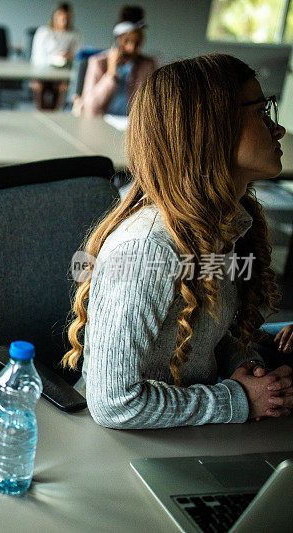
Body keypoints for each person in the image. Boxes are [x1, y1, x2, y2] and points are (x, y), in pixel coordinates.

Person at [63, 53, 293, 429]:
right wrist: (237, 400)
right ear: (210, 129)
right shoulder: (148, 250)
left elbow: (206, 335)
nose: (277, 129)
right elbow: (112, 403)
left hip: (180, 432)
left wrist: (248, 369)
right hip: (120, 443)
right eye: (261, 112)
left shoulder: (219, 225)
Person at [75, 5, 157, 117]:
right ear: (118, 40)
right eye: (127, 41)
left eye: (137, 43)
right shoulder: (98, 62)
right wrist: (111, 74)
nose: (132, 48)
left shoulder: (148, 64)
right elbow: (90, 107)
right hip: (100, 121)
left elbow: (153, 105)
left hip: (132, 124)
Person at [29, 2, 81, 110]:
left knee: (64, 86)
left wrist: (70, 57)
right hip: (43, 71)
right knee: (38, 85)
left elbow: (79, 55)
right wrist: (54, 58)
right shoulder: (44, 32)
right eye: (61, 17)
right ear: (55, 16)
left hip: (63, 73)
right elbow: (36, 58)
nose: (64, 21)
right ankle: (41, 113)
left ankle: (57, 113)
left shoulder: (74, 35)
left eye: (67, 18)